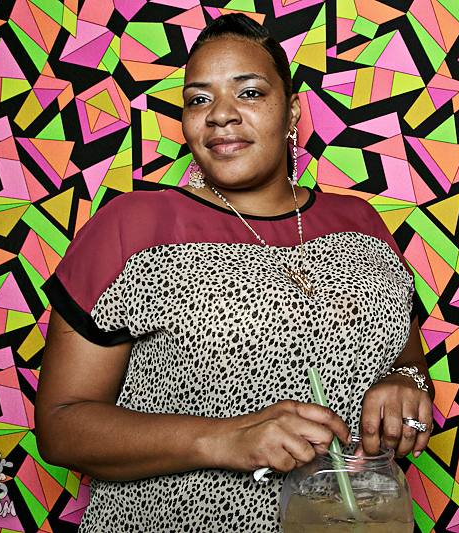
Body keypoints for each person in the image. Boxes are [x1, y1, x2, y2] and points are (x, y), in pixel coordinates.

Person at [35, 13, 435, 532]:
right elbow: (61, 426)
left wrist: (404, 383)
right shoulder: (132, 225)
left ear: (292, 111)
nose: (220, 115)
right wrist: (226, 438)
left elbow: (406, 358)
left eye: (249, 93)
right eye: (198, 99)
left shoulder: (361, 222)